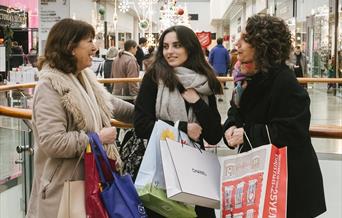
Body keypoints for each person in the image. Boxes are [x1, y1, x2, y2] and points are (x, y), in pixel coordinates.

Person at [26, 18, 134, 218]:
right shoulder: (50, 86)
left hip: (87, 180)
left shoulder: (83, 77)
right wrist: (97, 138)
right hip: (63, 188)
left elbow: (110, 103)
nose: (95, 47)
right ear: (71, 47)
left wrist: (146, 113)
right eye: (90, 41)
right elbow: (52, 142)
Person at [223, 14, 326, 217]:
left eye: (245, 39)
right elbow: (236, 112)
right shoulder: (246, 78)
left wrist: (247, 134)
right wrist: (230, 127)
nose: (237, 43)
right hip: (261, 176)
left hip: (289, 184)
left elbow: (292, 130)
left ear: (262, 45)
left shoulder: (284, 81)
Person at [134, 25, 223, 218]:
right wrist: (181, 127)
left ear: (189, 48)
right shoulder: (154, 77)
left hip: (195, 170)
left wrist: (198, 102)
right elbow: (141, 125)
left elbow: (215, 134)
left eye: (176, 45)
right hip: (161, 170)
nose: (169, 52)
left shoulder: (204, 82)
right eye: (165, 46)